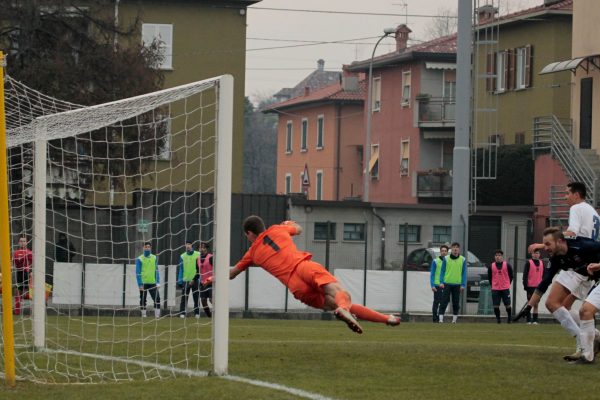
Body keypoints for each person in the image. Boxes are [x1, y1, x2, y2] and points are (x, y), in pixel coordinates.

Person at [228, 216, 400, 334]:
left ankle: (386, 318)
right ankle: (353, 312)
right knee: (340, 293)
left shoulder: (251, 253)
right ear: (262, 226)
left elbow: (232, 273)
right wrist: (290, 223)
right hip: (303, 267)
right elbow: (299, 228)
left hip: (296, 287)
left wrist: (212, 277)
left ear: (249, 233)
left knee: (336, 304)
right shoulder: (278, 229)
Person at [525, 182, 600, 360]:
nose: (565, 197)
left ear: (576, 194)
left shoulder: (576, 209)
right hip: (588, 265)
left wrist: (544, 244)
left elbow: (572, 233)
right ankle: (590, 340)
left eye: (567, 193)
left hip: (575, 260)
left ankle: (585, 343)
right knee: (566, 307)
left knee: (553, 304)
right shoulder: (594, 212)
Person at [514, 227, 600, 362]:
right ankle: (587, 341)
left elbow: (575, 236)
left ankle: (586, 343)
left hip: (592, 276)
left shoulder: (582, 246)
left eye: (548, 244)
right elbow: (545, 281)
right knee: (562, 306)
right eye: (544, 244)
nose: (545, 248)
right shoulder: (555, 257)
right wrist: (528, 307)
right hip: (582, 274)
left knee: (584, 310)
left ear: (560, 241)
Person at [438, 242, 467, 324]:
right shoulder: (446, 258)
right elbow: (442, 271)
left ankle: (454, 320)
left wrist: (463, 284)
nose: (455, 249)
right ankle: (440, 319)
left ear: (459, 249)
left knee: (456, 302)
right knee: (444, 301)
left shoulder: (463, 259)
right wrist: (441, 282)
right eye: (454, 247)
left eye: (457, 247)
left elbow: (464, 273)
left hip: (457, 284)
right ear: (451, 249)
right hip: (447, 283)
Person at [135, 241, 161, 318]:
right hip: (143, 283)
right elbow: (138, 272)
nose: (147, 248)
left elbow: (156, 270)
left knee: (157, 298)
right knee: (143, 299)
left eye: (149, 247)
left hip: (152, 282)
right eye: (146, 247)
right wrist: (140, 284)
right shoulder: (140, 258)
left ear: (150, 248)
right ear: (143, 248)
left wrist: (158, 281)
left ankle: (157, 315)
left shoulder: (154, 257)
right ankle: (143, 314)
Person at [488, 249, 513, 324]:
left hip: (505, 288)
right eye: (496, 255)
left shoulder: (507, 265)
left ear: (502, 256)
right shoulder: (491, 266)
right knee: (496, 306)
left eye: (499, 255)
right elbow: (489, 277)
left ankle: (509, 318)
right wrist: (493, 285)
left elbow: (511, 276)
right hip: (495, 289)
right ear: (494, 257)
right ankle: (498, 320)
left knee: (507, 305)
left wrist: (507, 284)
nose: (498, 257)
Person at [178, 239, 201, 318]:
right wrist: (180, 280)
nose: (187, 246)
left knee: (196, 297)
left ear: (192, 245)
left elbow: (201, 268)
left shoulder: (198, 254)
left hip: (195, 280)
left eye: (189, 244)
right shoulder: (182, 256)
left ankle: (197, 313)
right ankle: (182, 313)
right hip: (186, 280)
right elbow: (181, 269)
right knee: (184, 297)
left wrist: (201, 278)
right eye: (186, 244)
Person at [522, 249, 544, 324]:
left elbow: (544, 275)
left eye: (537, 253)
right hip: (530, 287)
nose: (536, 255)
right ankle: (528, 320)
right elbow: (525, 275)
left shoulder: (542, 263)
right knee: (529, 303)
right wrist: (525, 285)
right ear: (532, 254)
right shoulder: (528, 263)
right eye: (534, 253)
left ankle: (535, 320)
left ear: (539, 254)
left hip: (539, 287)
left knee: (536, 304)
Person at [13, 236, 32, 315]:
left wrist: (30, 271)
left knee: (31, 292)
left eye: (24, 241)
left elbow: (32, 263)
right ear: (18, 243)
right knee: (18, 291)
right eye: (21, 241)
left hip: (27, 273)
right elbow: (13, 263)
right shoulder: (15, 253)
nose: (22, 242)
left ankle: (35, 310)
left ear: (26, 242)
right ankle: (17, 310)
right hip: (19, 274)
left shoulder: (29, 252)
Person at [430, 244, 449, 323]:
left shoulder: (448, 261)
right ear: (440, 252)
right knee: (436, 302)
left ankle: (440, 317)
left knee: (444, 302)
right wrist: (432, 285)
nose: (444, 252)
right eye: (442, 251)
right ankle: (435, 319)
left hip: (446, 285)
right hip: (437, 285)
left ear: (447, 252)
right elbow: (432, 274)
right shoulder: (435, 261)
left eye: (445, 251)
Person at [198, 242, 213, 318]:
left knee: (211, 299)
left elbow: (216, 269)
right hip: (203, 283)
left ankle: (219, 314)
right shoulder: (197, 259)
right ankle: (210, 317)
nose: (201, 249)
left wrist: (211, 279)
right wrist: (194, 279)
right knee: (203, 301)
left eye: (203, 248)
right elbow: (198, 271)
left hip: (211, 282)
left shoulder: (211, 257)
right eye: (200, 248)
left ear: (206, 249)